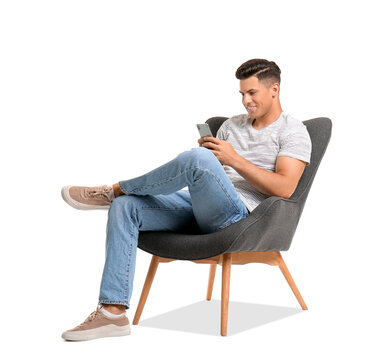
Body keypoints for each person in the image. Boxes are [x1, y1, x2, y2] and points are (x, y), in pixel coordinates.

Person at [60, 58, 312, 341]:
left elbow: (285, 189)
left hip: (242, 217)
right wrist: (210, 165)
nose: (246, 100)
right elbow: (216, 172)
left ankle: (115, 189)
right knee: (126, 207)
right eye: (242, 93)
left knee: (197, 159)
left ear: (274, 90)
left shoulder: (292, 131)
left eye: (252, 93)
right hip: (202, 204)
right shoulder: (231, 126)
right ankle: (113, 314)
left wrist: (232, 159)